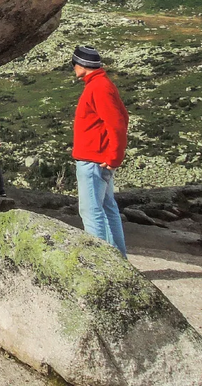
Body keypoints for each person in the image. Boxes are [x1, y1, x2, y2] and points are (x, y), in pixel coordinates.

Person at [71, 45, 129, 257]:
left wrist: (114, 157)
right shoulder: (104, 84)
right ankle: (118, 260)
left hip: (93, 159)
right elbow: (123, 117)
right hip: (101, 158)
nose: (73, 68)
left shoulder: (98, 87)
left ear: (81, 66)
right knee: (107, 208)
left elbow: (117, 123)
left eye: (74, 64)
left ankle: (100, 263)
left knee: (91, 211)